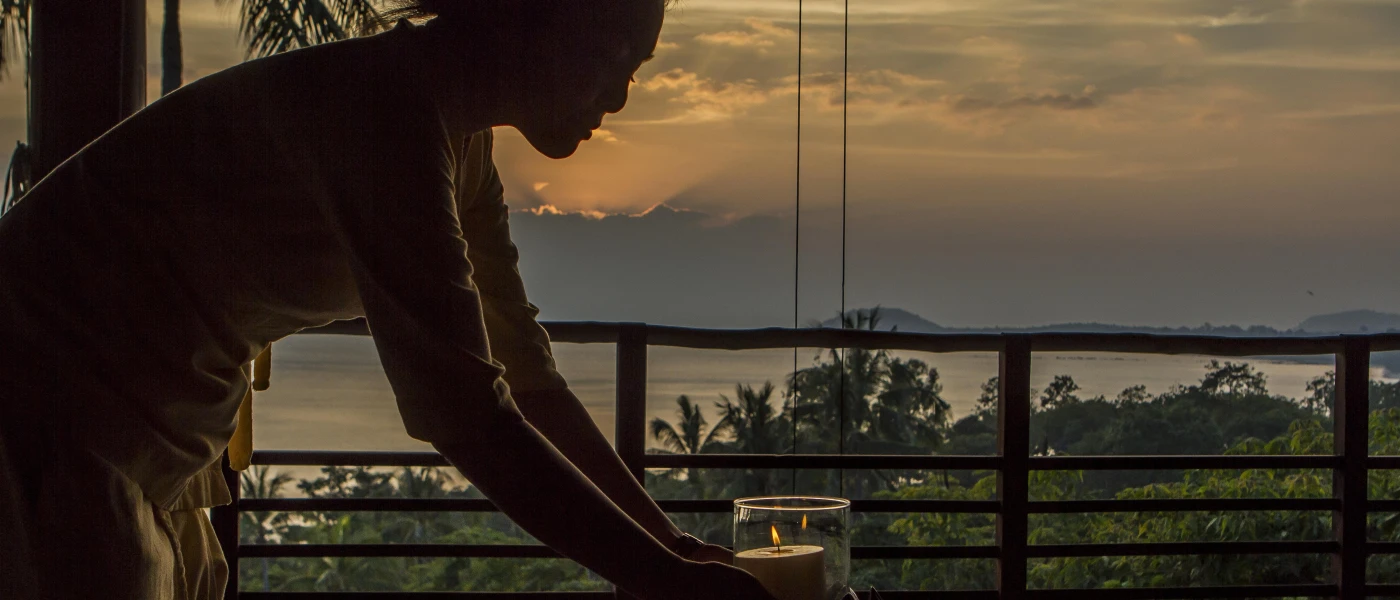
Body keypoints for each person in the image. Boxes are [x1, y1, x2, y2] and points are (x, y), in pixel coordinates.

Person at [0, 1, 776, 599]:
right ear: (534, 18)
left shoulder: (457, 147)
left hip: (138, 446)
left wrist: (668, 549)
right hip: (44, 416)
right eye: (614, 57)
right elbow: (466, 415)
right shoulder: (383, 114)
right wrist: (663, 578)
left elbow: (526, 376)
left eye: (636, 69)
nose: (620, 96)